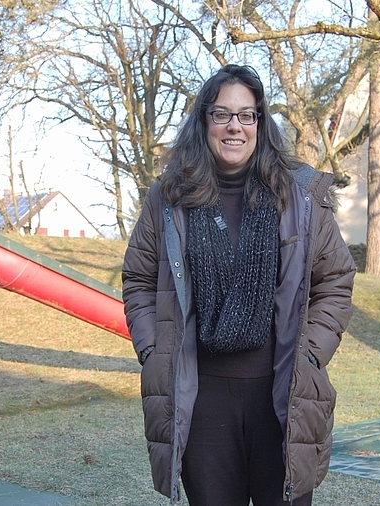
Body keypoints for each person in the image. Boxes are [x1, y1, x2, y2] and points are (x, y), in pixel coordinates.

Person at [122, 64, 355, 506]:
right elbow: (139, 280)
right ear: (203, 121)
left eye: (247, 115)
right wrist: (153, 350)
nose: (235, 126)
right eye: (222, 114)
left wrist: (311, 351)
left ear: (261, 124)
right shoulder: (168, 197)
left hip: (281, 392)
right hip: (201, 396)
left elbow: (335, 282)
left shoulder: (299, 196)